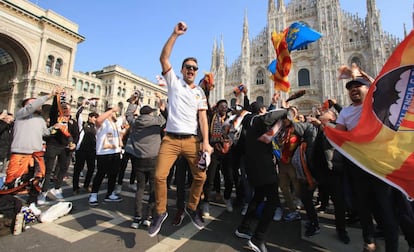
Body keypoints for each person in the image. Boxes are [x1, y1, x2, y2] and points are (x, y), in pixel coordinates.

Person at [148, 21, 213, 237]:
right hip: (171, 139)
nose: (192, 70)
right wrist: (175, 34)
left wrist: (205, 141)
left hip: (193, 141)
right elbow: (164, 58)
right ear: (183, 70)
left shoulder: (200, 93)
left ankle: (192, 207)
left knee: (201, 177)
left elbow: (203, 118)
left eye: (195, 68)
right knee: (159, 176)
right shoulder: (174, 83)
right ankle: (159, 212)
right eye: (188, 67)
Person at [334, 77, 399, 252]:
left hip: (378, 164)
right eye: (351, 88)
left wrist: (364, 74)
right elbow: (338, 133)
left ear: (369, 89)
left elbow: (386, 88)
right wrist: (326, 126)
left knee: (385, 209)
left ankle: (392, 247)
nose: (354, 89)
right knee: (362, 206)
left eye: (358, 86)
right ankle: (368, 240)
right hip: (357, 166)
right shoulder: (345, 113)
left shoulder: (375, 105)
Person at [234, 103, 287, 252]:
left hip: (257, 166)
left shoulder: (251, 123)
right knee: (273, 201)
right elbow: (268, 118)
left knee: (258, 197)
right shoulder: (253, 119)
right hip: (262, 167)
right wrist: (285, 111)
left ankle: (243, 227)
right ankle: (258, 239)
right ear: (261, 110)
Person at [1, 88, 58, 209]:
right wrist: (49, 95)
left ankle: (32, 202)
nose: (39, 105)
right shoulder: (21, 114)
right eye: (34, 103)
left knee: (36, 181)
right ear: (26, 106)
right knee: (13, 181)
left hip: (36, 155)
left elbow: (46, 133)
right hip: (21, 153)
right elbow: (31, 107)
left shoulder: (41, 120)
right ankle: (7, 205)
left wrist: (55, 128)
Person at [124, 102, 166, 229]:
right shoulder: (156, 122)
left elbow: (128, 114)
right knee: (153, 188)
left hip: (138, 159)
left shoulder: (135, 123)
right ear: (150, 113)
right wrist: (162, 106)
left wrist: (132, 102)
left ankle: (136, 217)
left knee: (140, 188)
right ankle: (147, 216)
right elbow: (166, 116)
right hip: (153, 159)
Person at [38, 91, 79, 204]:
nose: (66, 110)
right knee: (48, 170)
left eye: (68, 109)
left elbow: (76, 135)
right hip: (53, 145)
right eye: (64, 108)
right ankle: (43, 192)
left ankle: (57, 188)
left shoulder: (73, 122)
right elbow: (54, 107)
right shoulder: (55, 119)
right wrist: (58, 96)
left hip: (66, 148)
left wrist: (74, 144)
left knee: (63, 169)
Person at [88, 106, 123, 206]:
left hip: (115, 152)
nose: (115, 114)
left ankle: (110, 194)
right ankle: (93, 195)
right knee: (100, 174)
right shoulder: (103, 123)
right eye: (114, 113)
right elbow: (98, 121)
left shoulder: (115, 124)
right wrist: (111, 111)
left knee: (113, 175)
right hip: (104, 153)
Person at [72, 99, 98, 194]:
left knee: (91, 169)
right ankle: (75, 187)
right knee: (78, 169)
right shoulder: (83, 125)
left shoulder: (96, 127)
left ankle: (86, 185)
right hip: (81, 150)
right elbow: (78, 115)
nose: (95, 120)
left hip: (92, 151)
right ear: (90, 117)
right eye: (94, 118)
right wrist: (83, 105)